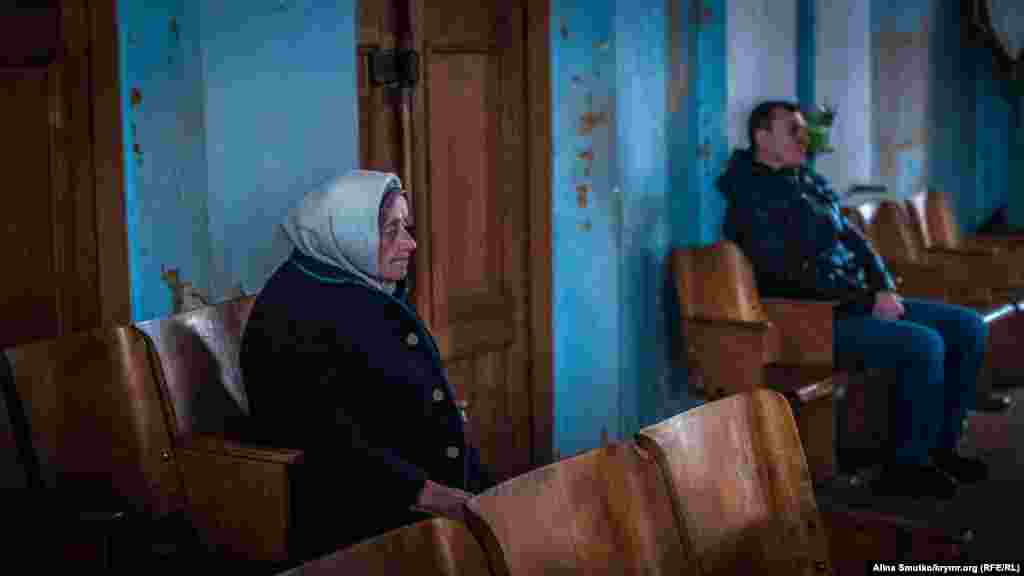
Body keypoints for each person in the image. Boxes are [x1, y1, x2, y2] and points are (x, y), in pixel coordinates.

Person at [716, 100, 989, 499]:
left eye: (803, 129)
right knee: (925, 344)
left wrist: (883, 287)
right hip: (812, 321)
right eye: (793, 130)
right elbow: (787, 276)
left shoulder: (804, 180)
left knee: (968, 326)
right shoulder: (749, 198)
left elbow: (856, 240)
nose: (804, 138)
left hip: (855, 301)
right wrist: (864, 301)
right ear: (762, 137)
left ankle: (940, 449)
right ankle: (906, 466)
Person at [240, 170, 492, 557]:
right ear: (346, 233)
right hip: (359, 521)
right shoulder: (290, 315)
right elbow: (324, 441)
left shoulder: (359, 284)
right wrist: (429, 494)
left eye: (406, 227)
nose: (410, 243)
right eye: (391, 231)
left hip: (414, 493)